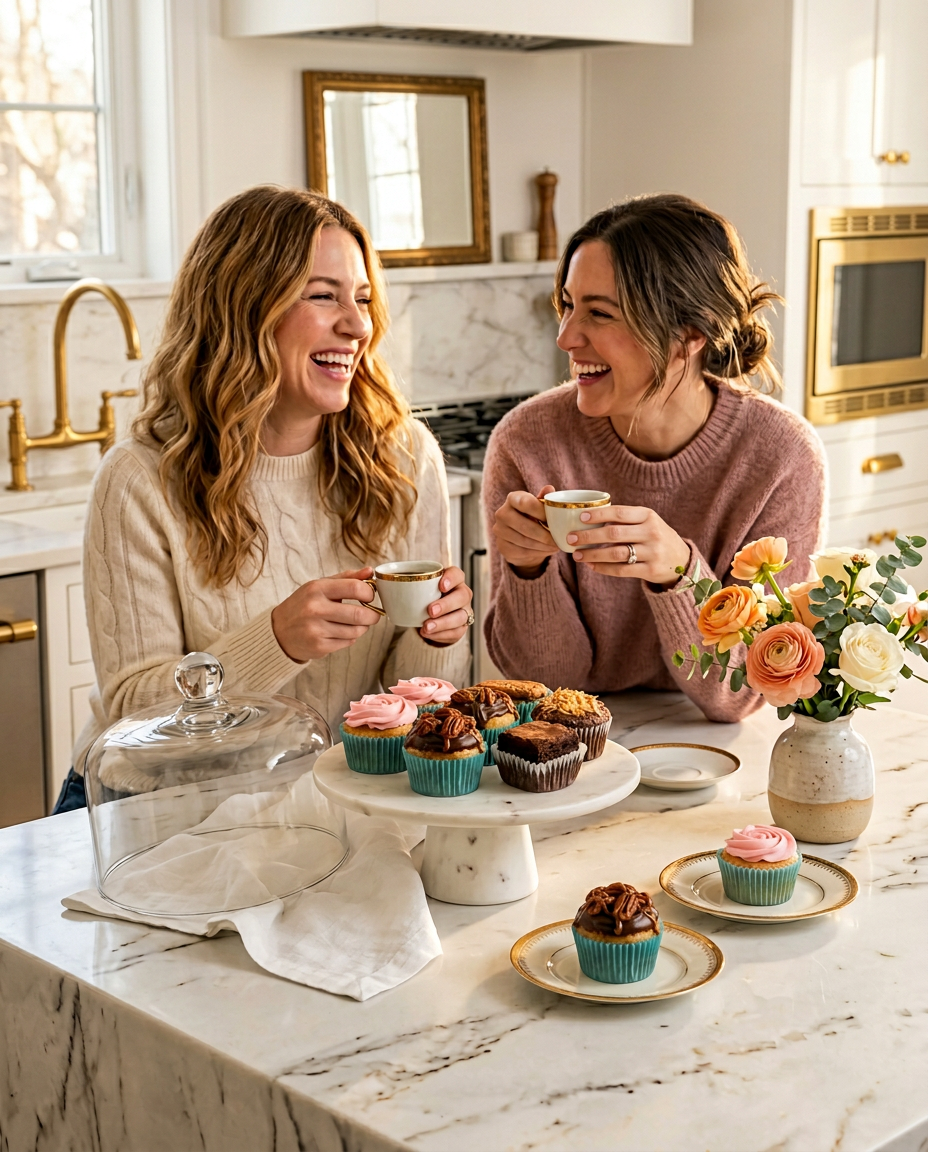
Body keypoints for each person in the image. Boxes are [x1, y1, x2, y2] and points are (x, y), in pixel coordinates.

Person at [54, 186, 473, 811]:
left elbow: (412, 708)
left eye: (362, 298)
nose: (358, 325)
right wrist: (276, 642)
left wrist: (439, 636)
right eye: (323, 295)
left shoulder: (404, 458)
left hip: (331, 800)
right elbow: (133, 714)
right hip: (153, 809)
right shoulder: (140, 480)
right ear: (243, 308)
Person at [483, 193, 826, 722]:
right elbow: (546, 684)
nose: (565, 337)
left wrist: (679, 574)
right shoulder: (525, 442)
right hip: (574, 740)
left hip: (717, 748)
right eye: (568, 305)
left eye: (599, 313)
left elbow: (738, 695)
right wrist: (528, 570)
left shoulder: (782, 456)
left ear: (690, 334)